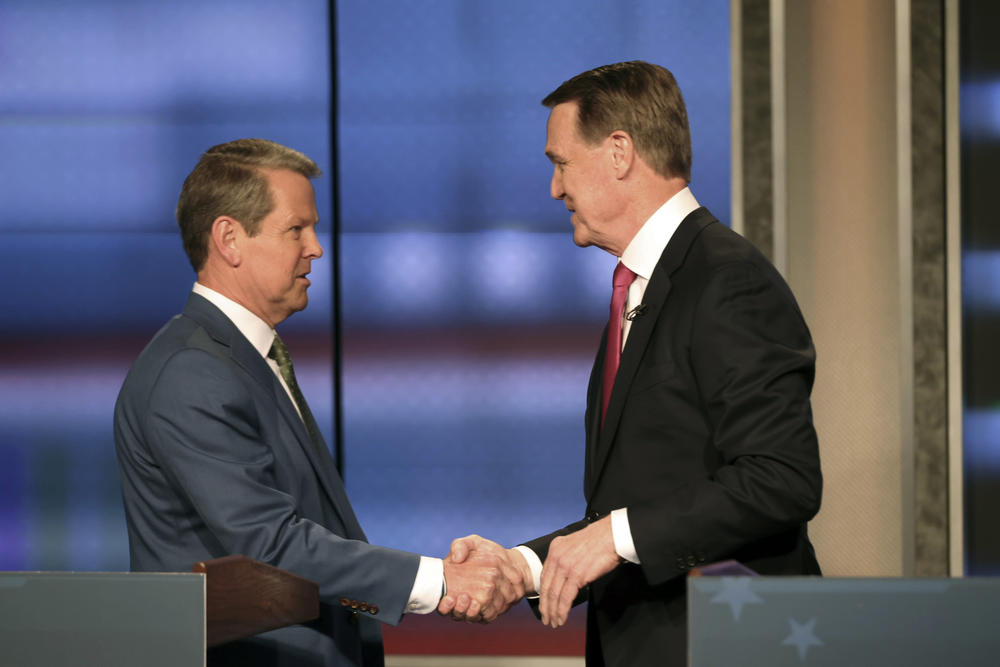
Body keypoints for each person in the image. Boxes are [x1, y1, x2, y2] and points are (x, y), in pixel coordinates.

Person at [443, 61, 822, 666]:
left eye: (560, 162)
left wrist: (615, 538)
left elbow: (782, 477)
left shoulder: (728, 281)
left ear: (619, 152)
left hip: (725, 645)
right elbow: (635, 500)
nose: (554, 189)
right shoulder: (641, 287)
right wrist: (525, 566)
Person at [113, 138, 523, 667]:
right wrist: (440, 579)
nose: (316, 248)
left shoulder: (243, 356)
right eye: (295, 229)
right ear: (229, 239)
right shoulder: (192, 372)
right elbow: (272, 545)